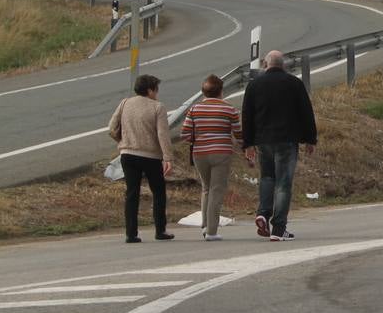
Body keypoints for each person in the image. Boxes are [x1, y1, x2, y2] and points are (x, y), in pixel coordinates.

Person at [242, 50, 317, 241]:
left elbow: (247, 115)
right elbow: (306, 112)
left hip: (263, 140)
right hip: (287, 139)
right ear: (283, 65)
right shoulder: (294, 83)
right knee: (283, 183)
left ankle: (262, 213)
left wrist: (248, 143)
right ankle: (278, 228)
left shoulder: (254, 85)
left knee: (267, 177)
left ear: (265, 65)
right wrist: (310, 139)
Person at [108, 74, 175, 243]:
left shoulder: (124, 103)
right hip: (150, 155)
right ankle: (160, 230)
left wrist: (122, 141)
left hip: (127, 154)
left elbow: (111, 127)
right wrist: (168, 157)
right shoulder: (157, 107)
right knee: (158, 192)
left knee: (132, 193)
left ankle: (131, 233)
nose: (157, 93)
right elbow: (162, 133)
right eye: (156, 89)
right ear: (150, 90)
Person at [181, 74, 245, 240]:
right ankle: (212, 231)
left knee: (206, 188)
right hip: (221, 152)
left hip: (200, 153)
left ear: (203, 92)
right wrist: (245, 147)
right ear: (221, 91)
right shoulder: (229, 109)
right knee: (217, 190)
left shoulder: (194, 109)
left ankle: (205, 226)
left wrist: (198, 139)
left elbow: (185, 133)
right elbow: (238, 133)